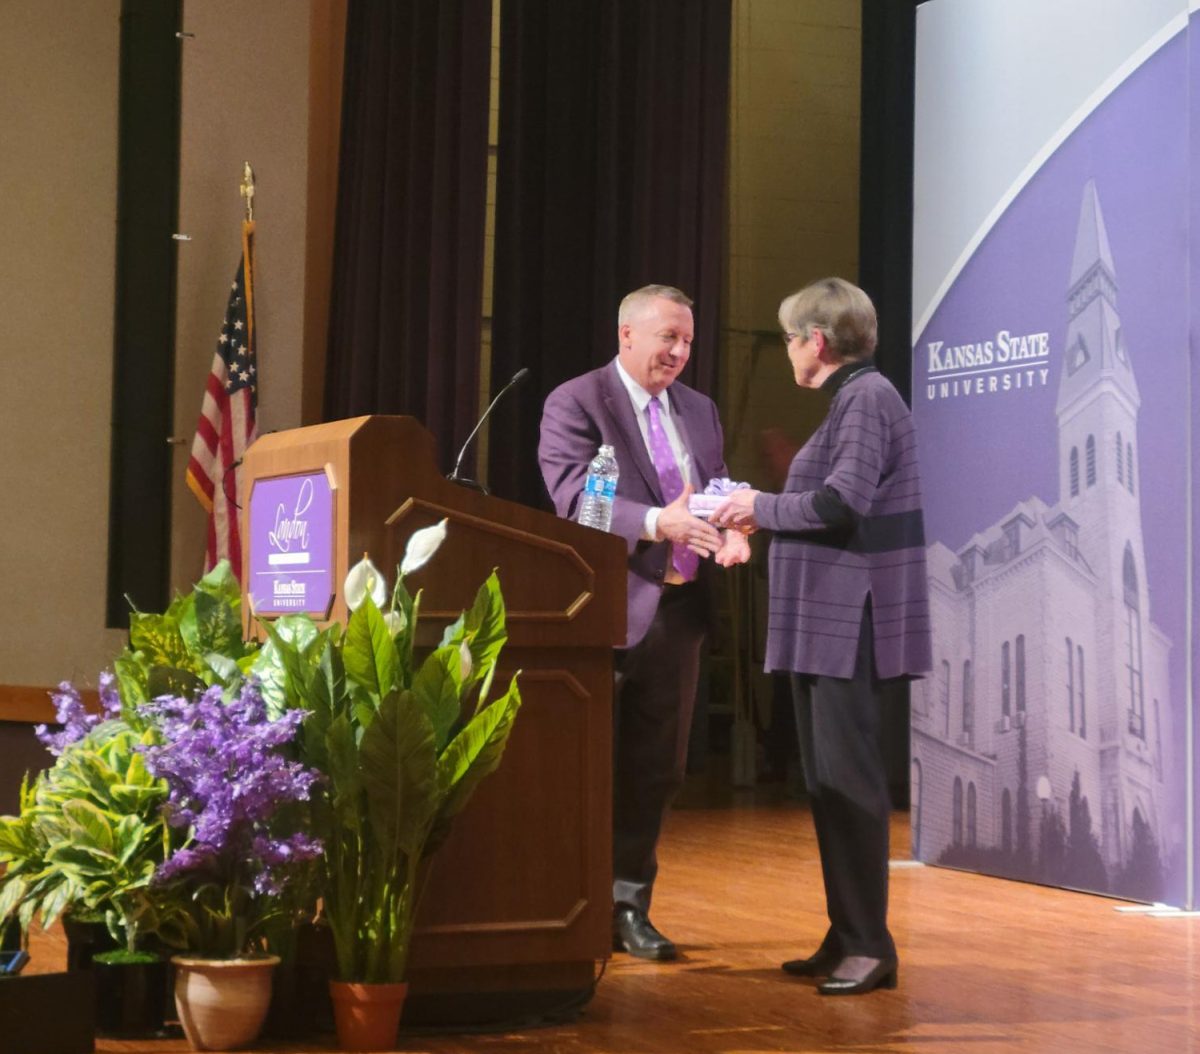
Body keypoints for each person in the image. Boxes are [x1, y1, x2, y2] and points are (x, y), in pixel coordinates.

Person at [712, 277, 931, 995]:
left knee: (851, 784)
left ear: (816, 341)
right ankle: (847, 934)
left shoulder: (867, 398)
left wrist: (758, 505)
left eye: (787, 338)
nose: (787, 352)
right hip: (822, 620)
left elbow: (843, 502)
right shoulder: (851, 402)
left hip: (848, 620)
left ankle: (871, 943)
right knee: (826, 784)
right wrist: (762, 508)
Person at [539, 284, 750, 961]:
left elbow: (712, 484)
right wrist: (659, 521)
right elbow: (578, 499)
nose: (681, 352)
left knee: (655, 771)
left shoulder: (701, 409)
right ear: (626, 334)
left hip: (679, 612)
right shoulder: (576, 402)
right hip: (605, 611)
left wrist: (733, 522)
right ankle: (567, 905)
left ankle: (629, 906)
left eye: (688, 340)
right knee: (590, 767)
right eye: (668, 337)